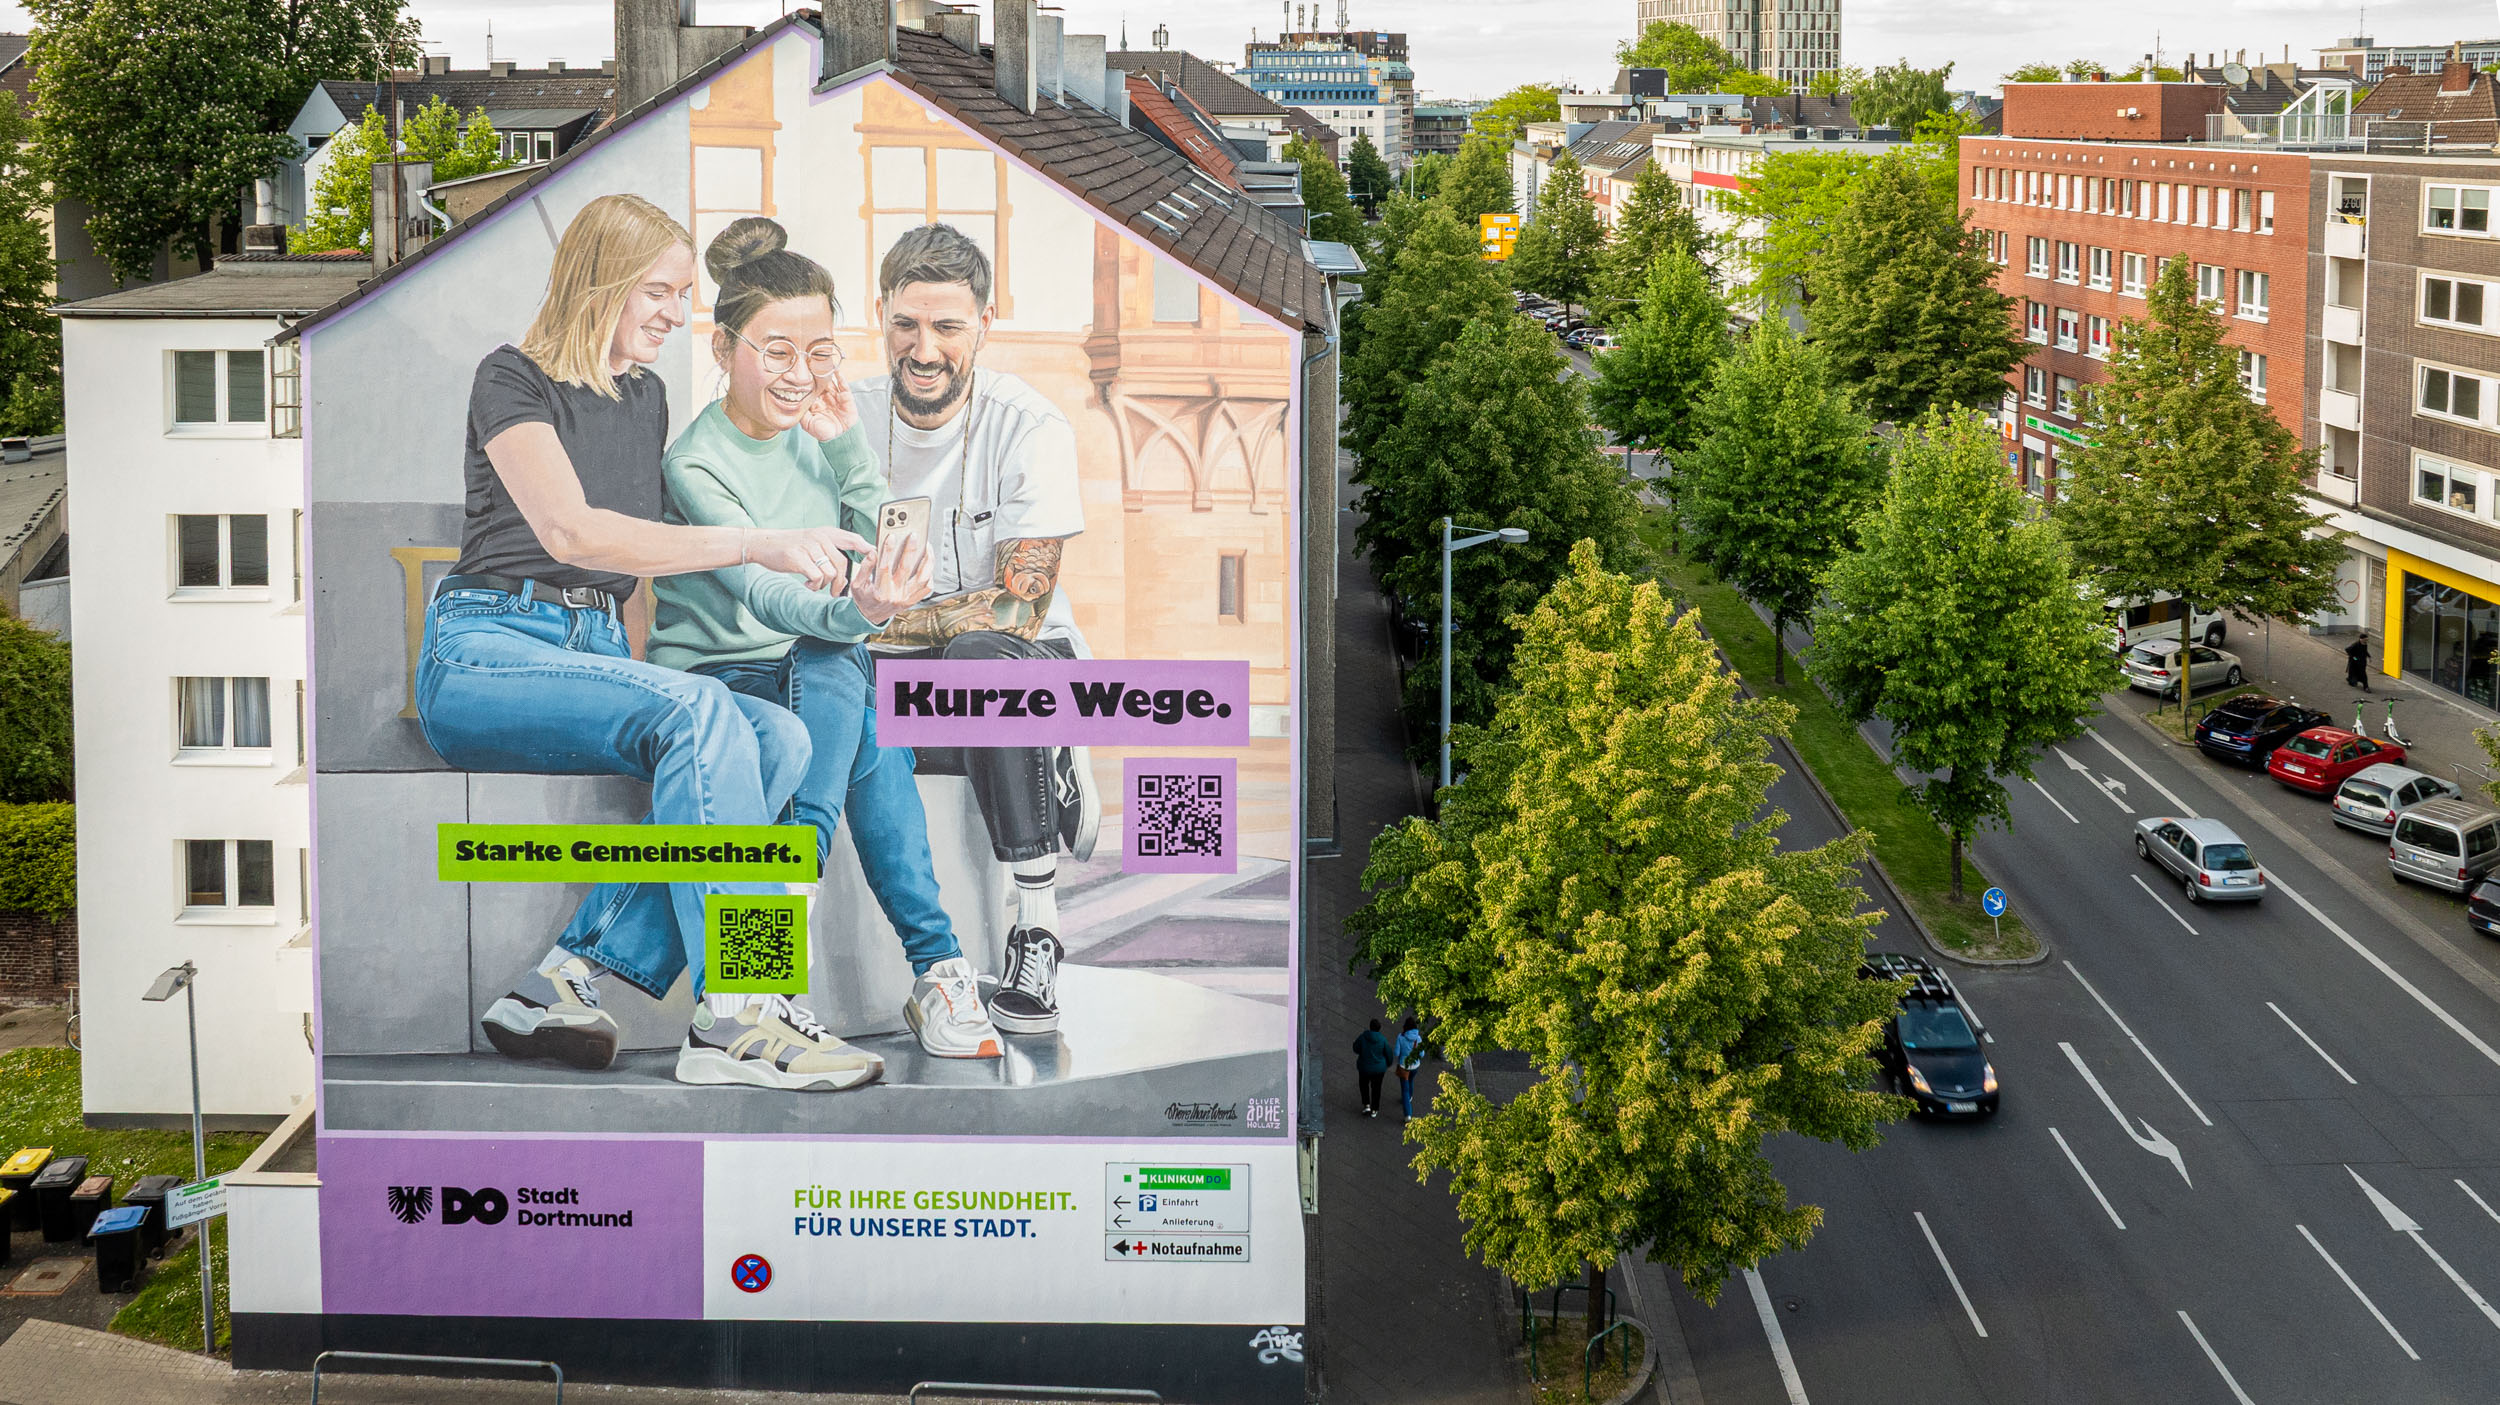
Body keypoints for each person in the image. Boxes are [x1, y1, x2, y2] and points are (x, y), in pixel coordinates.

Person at [425, 193, 883, 1094]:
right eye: (661, 293)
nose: (678, 314)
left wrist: (643, 678)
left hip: (592, 651)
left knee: (779, 737)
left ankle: (562, 978)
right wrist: (754, 542)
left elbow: (630, 575)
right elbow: (574, 536)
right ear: (601, 283)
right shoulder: (510, 378)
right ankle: (738, 1012)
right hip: (487, 648)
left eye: (683, 296)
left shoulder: (645, 396)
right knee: (710, 710)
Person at [651, 216, 1005, 1062]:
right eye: (777, 351)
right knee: (850, 676)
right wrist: (866, 613)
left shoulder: (816, 433)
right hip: (725, 675)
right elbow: (770, 596)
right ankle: (925, 963)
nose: (801, 374)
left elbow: (871, 538)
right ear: (724, 344)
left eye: (819, 351)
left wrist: (847, 448)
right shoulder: (694, 463)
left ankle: (877, 952)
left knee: (859, 698)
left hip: (809, 668)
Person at [853, 223, 1099, 1038]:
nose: (924, 349)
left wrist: (880, 615)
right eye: (907, 324)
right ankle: (764, 979)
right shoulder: (840, 420)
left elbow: (1020, 606)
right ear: (878, 313)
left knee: (978, 654)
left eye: (948, 326)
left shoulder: (1027, 424)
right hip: (881, 672)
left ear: (985, 325)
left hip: (1014, 667)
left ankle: (1038, 923)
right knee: (801, 700)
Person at [1352, 1019, 1392, 1118]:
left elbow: (1355, 1048)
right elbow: (1388, 1054)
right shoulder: (1382, 1040)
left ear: (1370, 1027)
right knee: (1376, 1089)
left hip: (1364, 1067)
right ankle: (1374, 1109)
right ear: (1379, 1028)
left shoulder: (1363, 1037)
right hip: (1379, 1069)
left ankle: (1366, 1105)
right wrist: (1388, 1063)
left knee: (1364, 1085)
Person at [1394, 1017, 1426, 1121]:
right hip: (1415, 1066)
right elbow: (1422, 1054)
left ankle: (1408, 1114)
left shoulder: (1400, 1037)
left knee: (1404, 1090)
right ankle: (1410, 1097)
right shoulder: (1418, 1038)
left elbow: (1396, 1053)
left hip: (1404, 1066)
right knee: (1411, 1080)